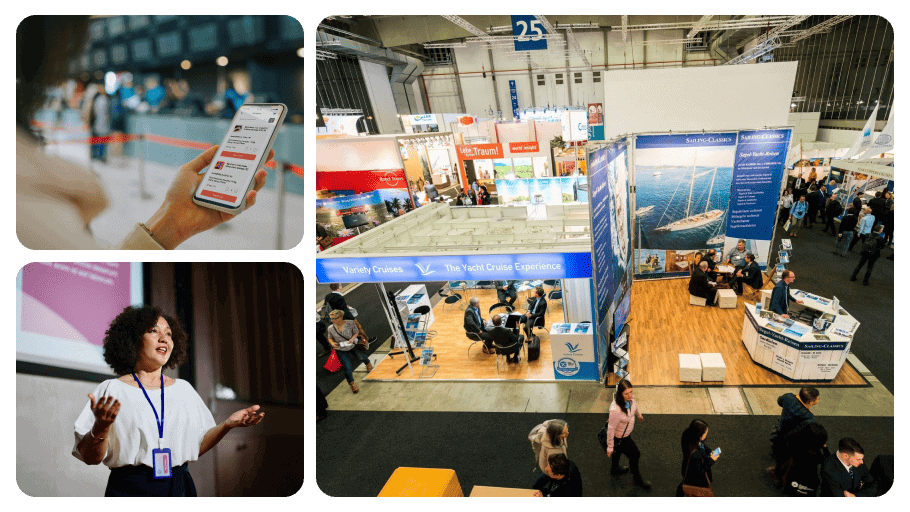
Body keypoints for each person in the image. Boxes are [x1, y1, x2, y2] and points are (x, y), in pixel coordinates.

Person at [72, 305, 265, 496]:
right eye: (153, 331)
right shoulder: (112, 389)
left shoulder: (183, 389)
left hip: (179, 486)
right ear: (133, 339)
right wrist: (101, 427)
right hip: (130, 489)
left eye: (169, 334)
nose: (164, 338)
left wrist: (227, 425)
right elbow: (91, 458)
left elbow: (195, 446)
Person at [767, 387, 820, 484]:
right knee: (785, 458)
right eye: (817, 398)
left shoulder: (788, 397)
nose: (818, 400)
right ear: (811, 402)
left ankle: (776, 456)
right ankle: (778, 474)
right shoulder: (809, 418)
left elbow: (780, 401)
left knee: (777, 447)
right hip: (790, 440)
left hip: (779, 431)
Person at [606, 379, 651, 489]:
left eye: (631, 392)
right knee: (635, 454)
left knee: (618, 452)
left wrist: (639, 415)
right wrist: (610, 446)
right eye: (626, 393)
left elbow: (634, 405)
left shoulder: (630, 399)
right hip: (620, 438)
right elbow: (611, 429)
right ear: (620, 394)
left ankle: (614, 469)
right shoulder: (615, 410)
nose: (630, 395)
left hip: (625, 434)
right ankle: (637, 478)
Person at [327, 310, 374, 393]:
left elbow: (356, 332)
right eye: (331, 318)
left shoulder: (350, 323)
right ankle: (352, 384)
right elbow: (330, 337)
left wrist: (352, 338)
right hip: (340, 348)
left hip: (352, 345)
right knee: (347, 367)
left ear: (340, 317)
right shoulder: (330, 328)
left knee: (361, 357)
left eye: (334, 318)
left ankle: (368, 363)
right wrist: (332, 343)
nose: (332, 320)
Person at [676, 419, 720, 497]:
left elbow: (702, 444)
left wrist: (709, 451)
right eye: (705, 433)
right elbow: (699, 472)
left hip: (687, 467)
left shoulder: (688, 436)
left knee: (684, 482)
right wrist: (711, 460)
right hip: (695, 475)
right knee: (693, 487)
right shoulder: (696, 455)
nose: (706, 434)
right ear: (699, 435)